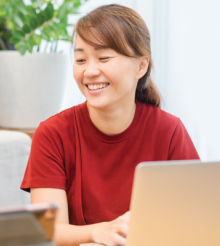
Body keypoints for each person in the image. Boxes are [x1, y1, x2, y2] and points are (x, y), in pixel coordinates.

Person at [20, 4, 200, 246]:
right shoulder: (53, 134)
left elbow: (196, 221)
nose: (90, 71)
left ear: (141, 66)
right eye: (80, 59)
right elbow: (49, 231)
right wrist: (98, 232)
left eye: (104, 57)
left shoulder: (169, 131)